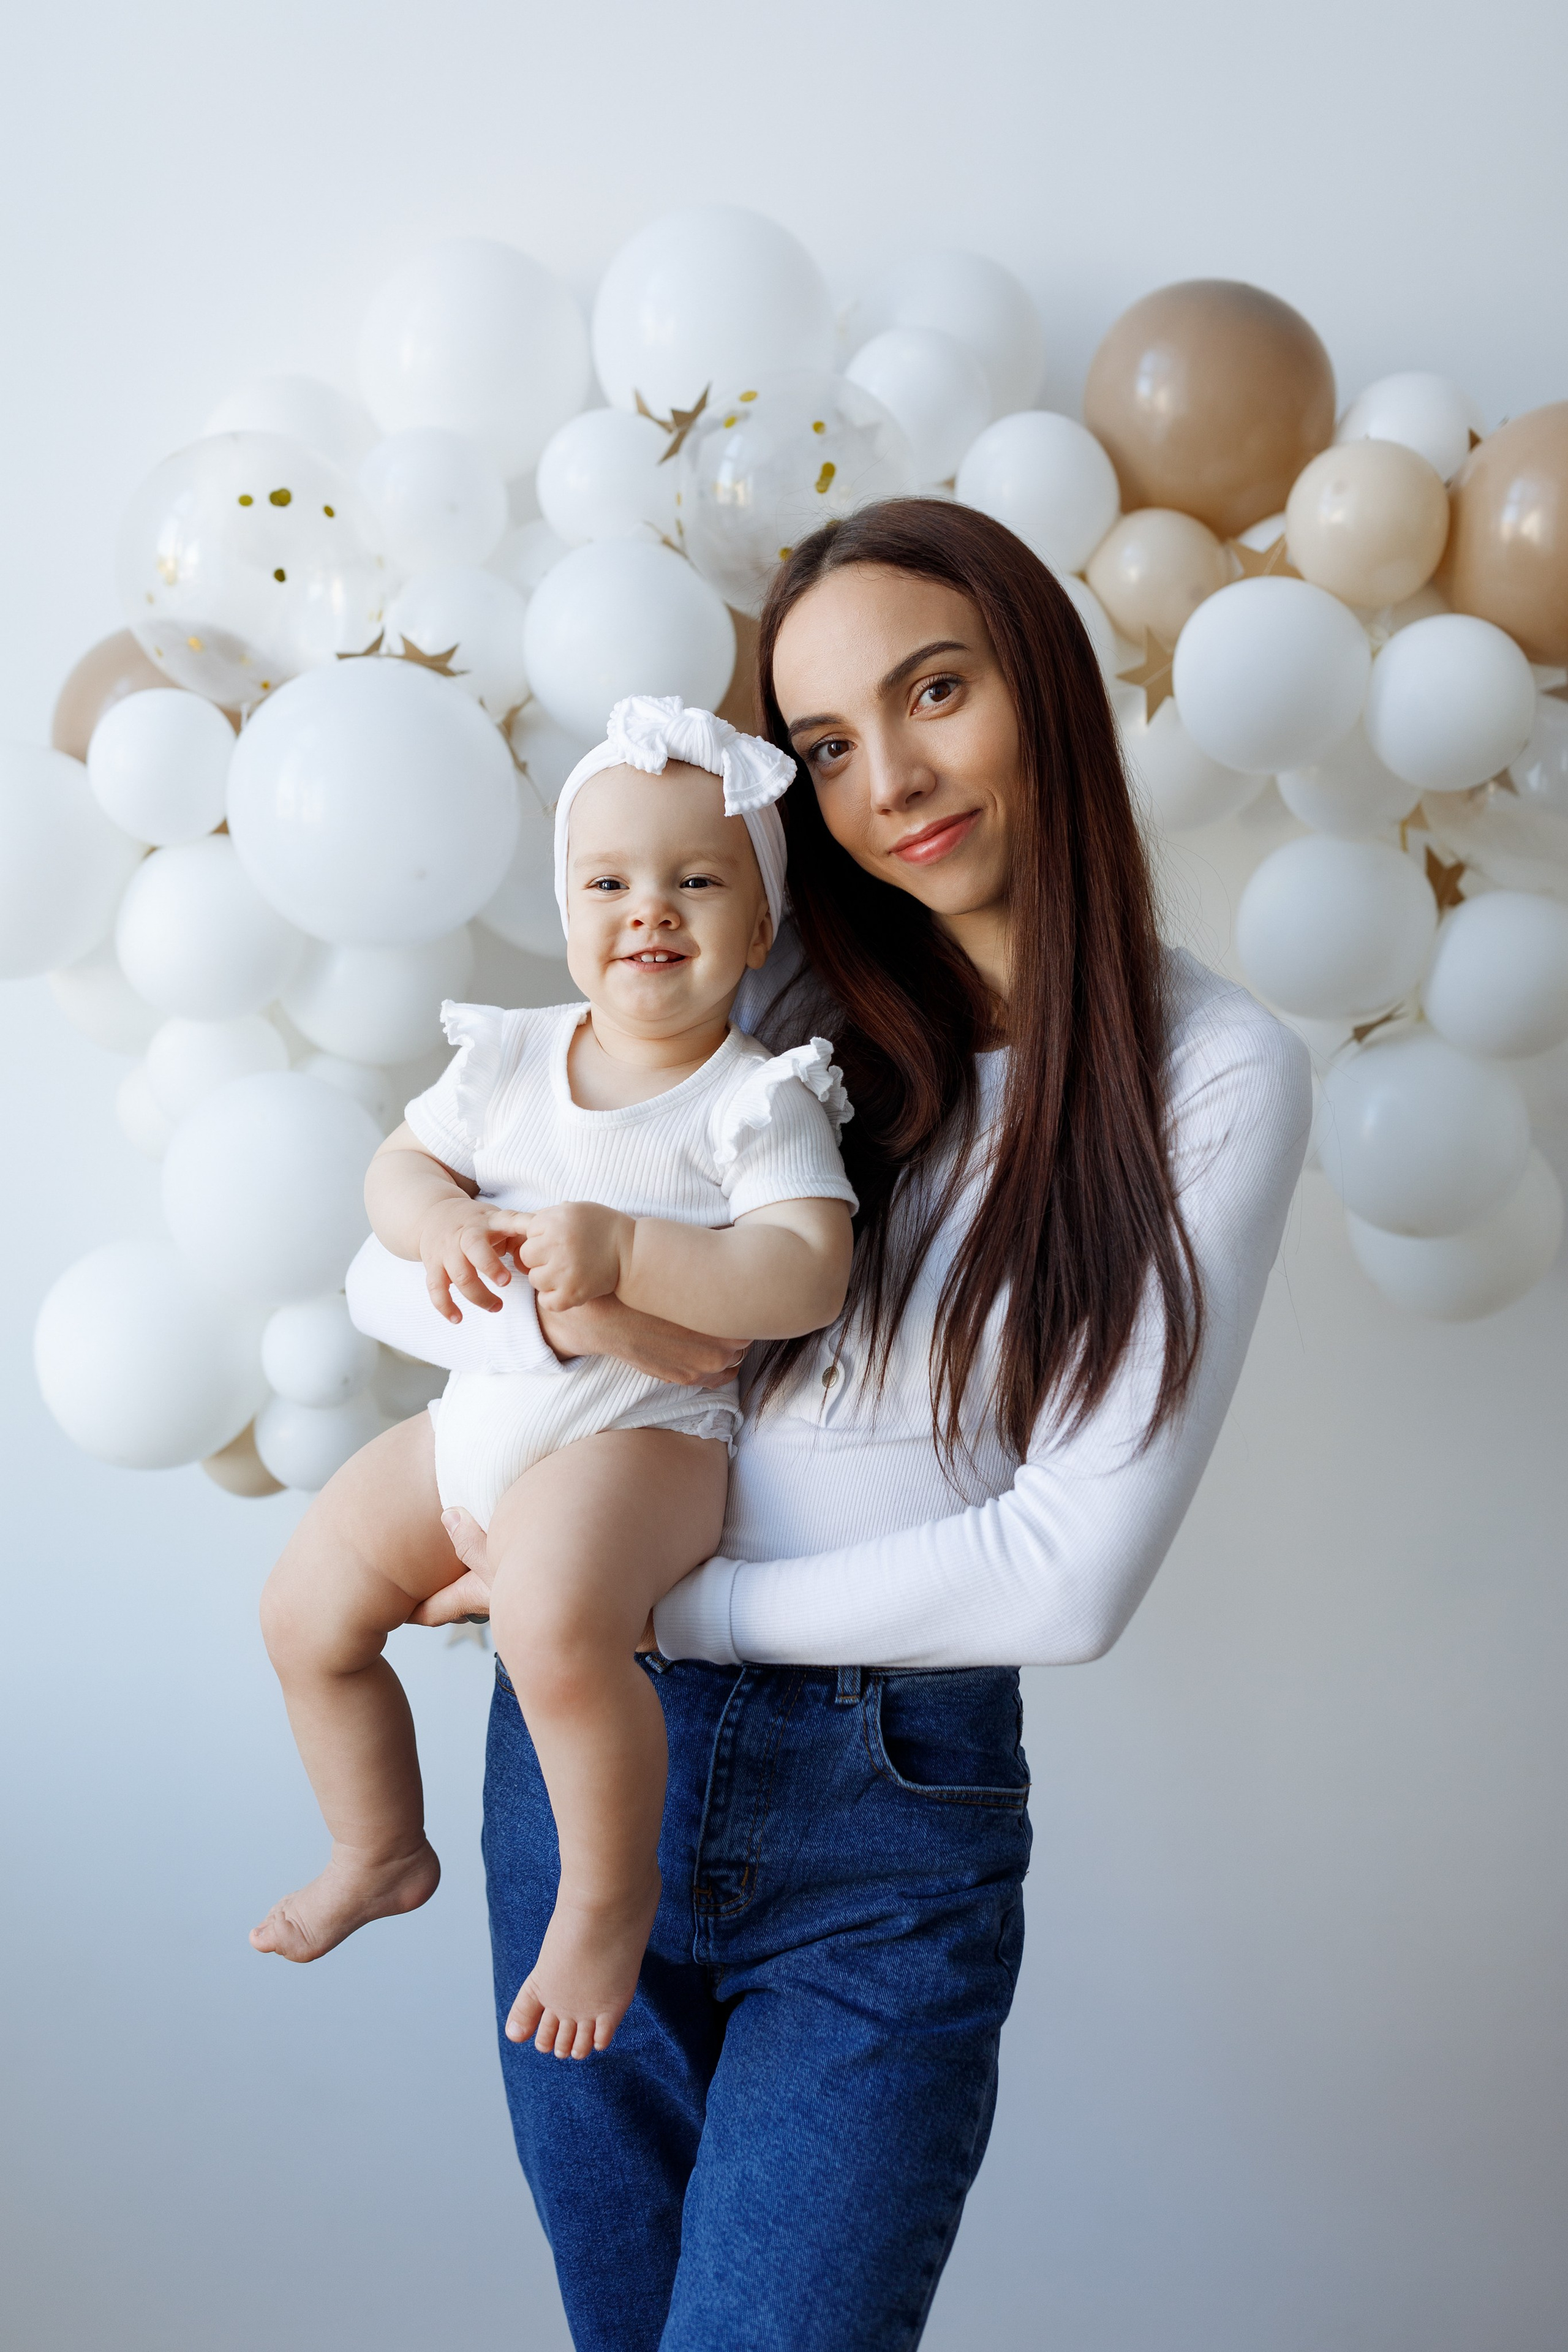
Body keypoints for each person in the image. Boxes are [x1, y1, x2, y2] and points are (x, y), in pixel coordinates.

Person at [424, 498, 1313, 2352]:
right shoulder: (764, 991)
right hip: (588, 1768)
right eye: (824, 745)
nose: (889, 779)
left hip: (878, 1819)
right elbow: (471, 1235)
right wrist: (529, 1476)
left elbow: (1064, 1574)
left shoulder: (1211, 1070)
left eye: (933, 692)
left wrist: (655, 1608)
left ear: (1042, 683)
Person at [250, 697, 858, 2064]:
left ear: (760, 928)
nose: (650, 910)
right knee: (302, 1611)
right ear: (568, 907)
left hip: (642, 1440)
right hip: (476, 1422)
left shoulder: (756, 1099)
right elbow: (396, 1173)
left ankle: (603, 1900)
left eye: (697, 881)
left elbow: (804, 1272)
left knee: (546, 1629)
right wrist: (436, 1220)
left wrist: (630, 1248)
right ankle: (377, 1845)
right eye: (610, 882)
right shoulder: (511, 1058)